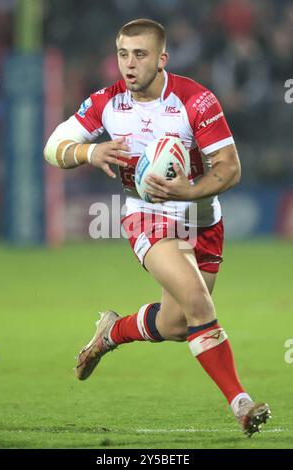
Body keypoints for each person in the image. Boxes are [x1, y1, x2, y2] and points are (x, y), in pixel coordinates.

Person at [44, 19, 271, 437]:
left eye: (140, 54)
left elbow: (230, 169)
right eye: (122, 54)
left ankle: (112, 331)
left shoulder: (195, 101)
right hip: (147, 215)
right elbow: (53, 146)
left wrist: (188, 191)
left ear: (162, 58)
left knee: (177, 325)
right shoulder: (107, 103)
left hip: (203, 220)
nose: (129, 65)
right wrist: (89, 151)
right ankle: (241, 403)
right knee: (200, 305)